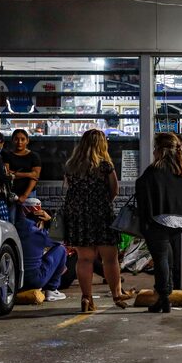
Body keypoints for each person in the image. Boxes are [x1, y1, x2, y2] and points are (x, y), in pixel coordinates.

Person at [63, 129, 132, 313]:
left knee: (84, 259)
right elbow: (114, 189)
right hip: (101, 216)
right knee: (110, 258)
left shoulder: (71, 166)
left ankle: (86, 298)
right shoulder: (105, 165)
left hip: (78, 217)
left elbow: (70, 189)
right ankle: (116, 294)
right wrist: (102, 202)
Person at [136, 132, 182, 314]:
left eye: (155, 148)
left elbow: (142, 190)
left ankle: (163, 298)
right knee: (168, 257)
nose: (153, 151)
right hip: (181, 220)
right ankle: (166, 293)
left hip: (159, 220)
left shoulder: (154, 170)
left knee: (161, 258)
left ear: (160, 150)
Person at [15, 198, 68, 302]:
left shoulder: (14, 227)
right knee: (61, 250)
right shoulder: (38, 233)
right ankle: (52, 289)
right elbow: (61, 238)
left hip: (17, 279)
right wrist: (50, 219)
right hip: (35, 279)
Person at [2, 129, 42, 204]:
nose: (19, 142)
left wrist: (24, 195)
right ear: (12, 140)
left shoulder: (34, 156)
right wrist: (29, 174)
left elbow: (35, 176)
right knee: (11, 216)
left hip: (29, 194)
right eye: (16, 139)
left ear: (27, 141)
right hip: (11, 194)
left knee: (28, 215)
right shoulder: (7, 155)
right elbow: (7, 174)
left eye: (23, 139)